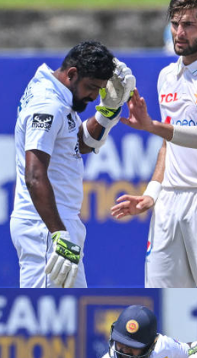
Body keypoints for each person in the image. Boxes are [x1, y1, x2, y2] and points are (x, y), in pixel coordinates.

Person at [109, 0, 197, 288]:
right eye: (175, 24)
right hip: (169, 201)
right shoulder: (167, 76)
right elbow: (168, 146)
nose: (179, 33)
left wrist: (150, 125)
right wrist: (151, 194)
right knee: (162, 301)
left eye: (189, 25)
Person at [11, 41, 136, 288]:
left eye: (98, 89)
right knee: (46, 318)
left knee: (72, 317)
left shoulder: (59, 96)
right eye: (91, 87)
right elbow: (34, 175)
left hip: (55, 224)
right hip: (45, 227)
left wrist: (108, 111)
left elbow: (77, 145)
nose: (92, 96)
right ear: (72, 73)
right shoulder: (48, 105)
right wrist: (58, 234)